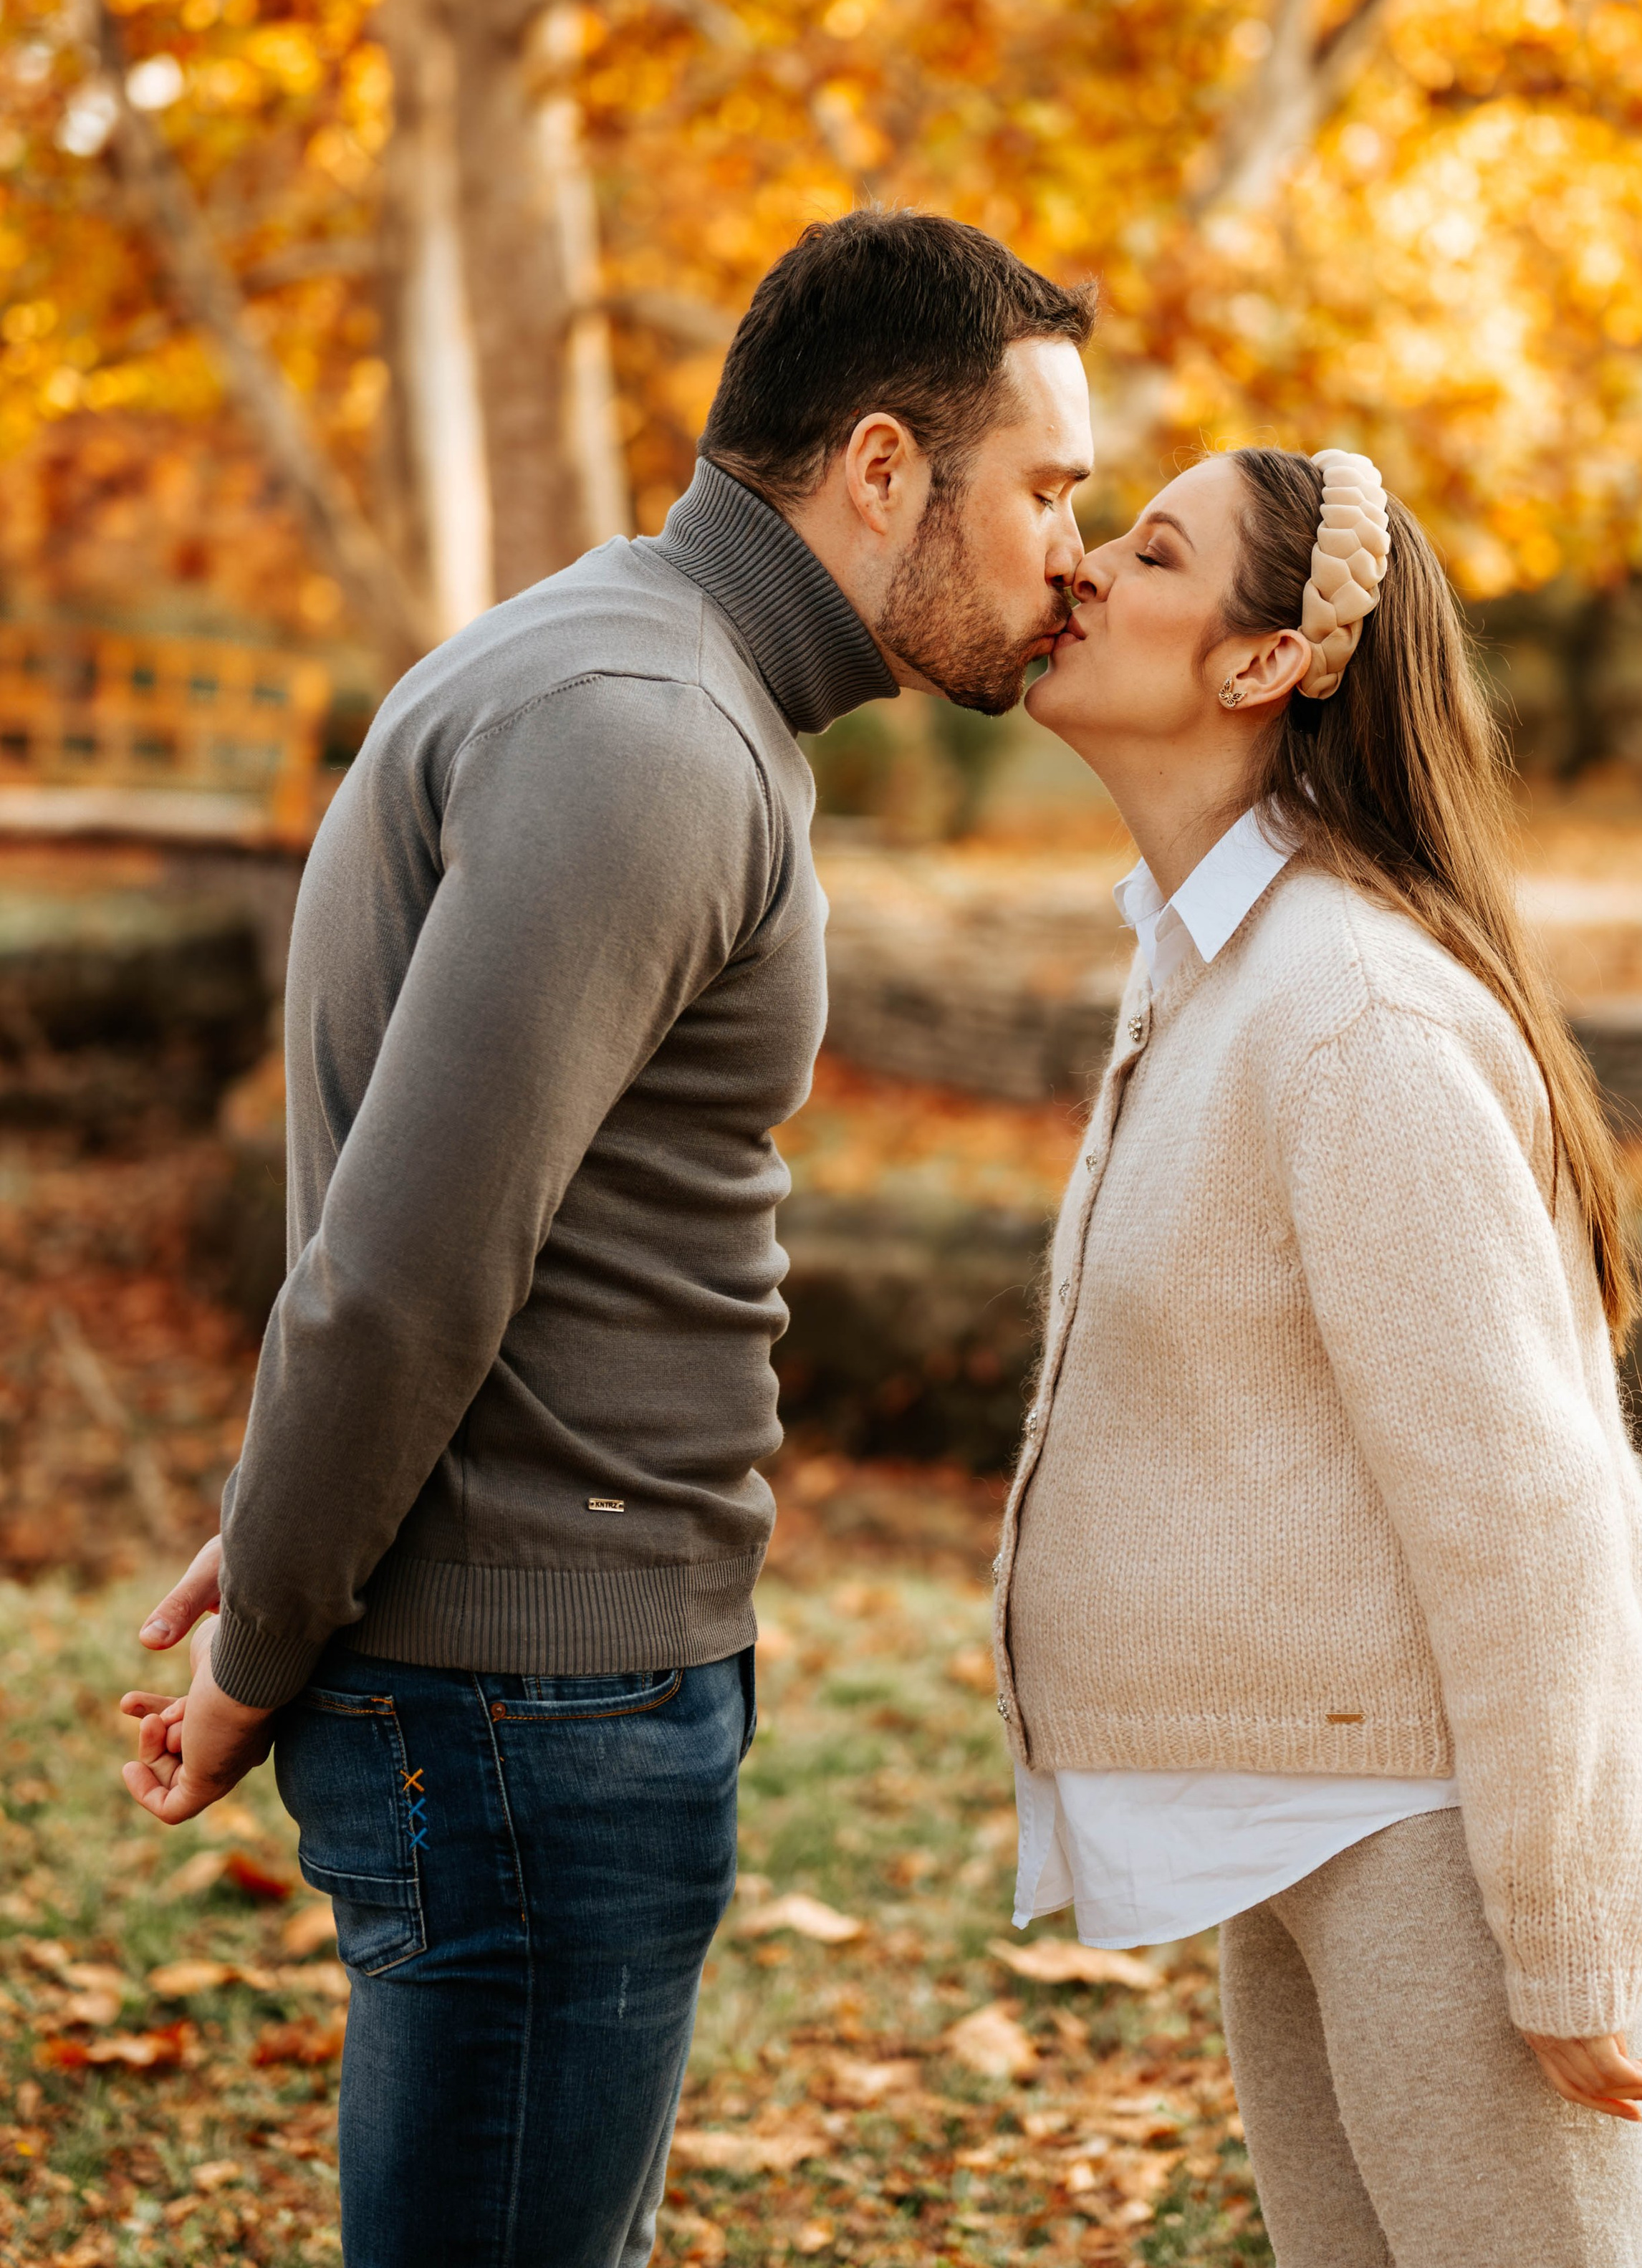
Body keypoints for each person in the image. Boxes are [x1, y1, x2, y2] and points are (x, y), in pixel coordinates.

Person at [117, 208, 1096, 2268]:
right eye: (1048, 491)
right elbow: (400, 1269)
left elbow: (453, 1200)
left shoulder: (646, 670)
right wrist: (266, 1635)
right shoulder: (648, 731)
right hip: (526, 1715)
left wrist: (281, 1519)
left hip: (540, 1690)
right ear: (886, 470)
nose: (1073, 557)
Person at [992, 444, 1642, 2268]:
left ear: (1258, 664)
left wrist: (1565, 1934)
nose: (1080, 569)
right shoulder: (1208, 965)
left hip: (1439, 1840)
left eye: (1148, 549)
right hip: (1303, 1820)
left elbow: (1525, 1503)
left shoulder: (1350, 1011)